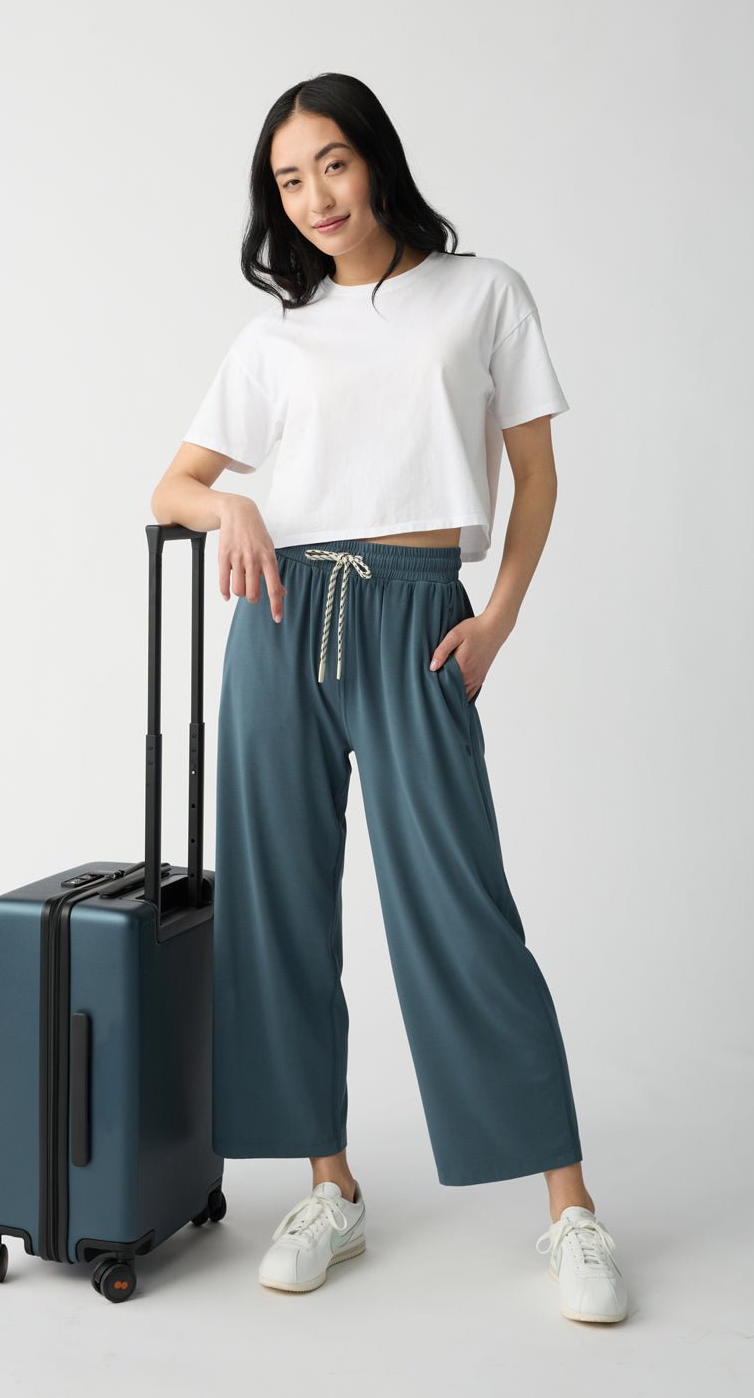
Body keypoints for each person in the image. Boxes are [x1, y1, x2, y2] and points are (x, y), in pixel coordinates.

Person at [151, 72, 628, 1323]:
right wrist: (232, 502)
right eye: (288, 180)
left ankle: (570, 1211)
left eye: (332, 165)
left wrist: (497, 621)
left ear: (378, 162)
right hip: (279, 621)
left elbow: (535, 478)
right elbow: (172, 488)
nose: (313, 197)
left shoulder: (482, 293)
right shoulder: (277, 338)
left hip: (422, 617)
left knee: (459, 910)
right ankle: (330, 1188)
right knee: (280, 909)